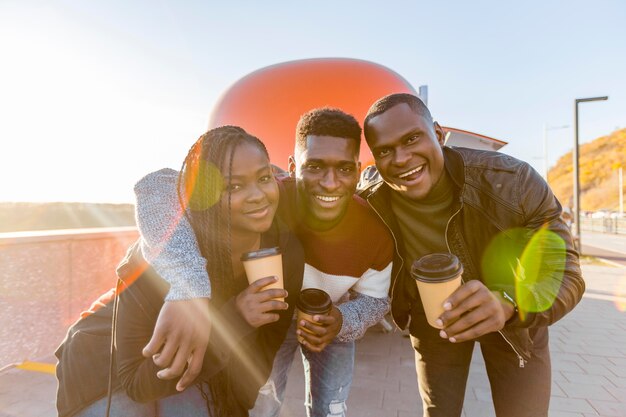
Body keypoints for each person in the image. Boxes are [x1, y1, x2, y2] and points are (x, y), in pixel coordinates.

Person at [133, 108, 394, 417]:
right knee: (263, 403)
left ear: (358, 168)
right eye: (315, 166)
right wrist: (189, 285)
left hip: (332, 322)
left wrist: (340, 321)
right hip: (272, 320)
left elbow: (377, 300)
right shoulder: (265, 195)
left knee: (332, 409)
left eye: (344, 169)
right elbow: (157, 185)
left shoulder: (375, 231)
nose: (330, 182)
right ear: (293, 167)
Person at [358, 93, 585, 417]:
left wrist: (509, 303)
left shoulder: (513, 182)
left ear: (438, 134)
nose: (401, 158)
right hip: (434, 319)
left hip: (516, 320)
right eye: (385, 151)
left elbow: (565, 272)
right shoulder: (371, 198)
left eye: (411, 139)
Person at [55, 126, 305, 417]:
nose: (257, 195)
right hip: (107, 370)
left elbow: (260, 357)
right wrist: (232, 316)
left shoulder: (286, 251)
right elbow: (137, 383)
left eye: (264, 178)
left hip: (196, 368)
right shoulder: (166, 253)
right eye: (233, 186)